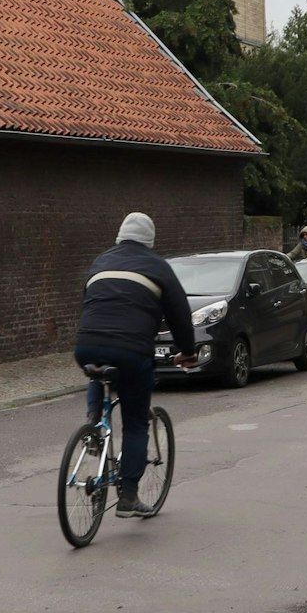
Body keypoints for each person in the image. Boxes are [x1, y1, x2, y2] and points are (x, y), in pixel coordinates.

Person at [74, 212, 196, 518]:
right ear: (150, 240)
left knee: (99, 368)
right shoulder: (158, 267)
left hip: (87, 343)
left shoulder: (100, 261)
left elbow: (88, 300)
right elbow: (180, 314)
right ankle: (128, 495)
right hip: (131, 350)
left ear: (120, 235)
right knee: (136, 420)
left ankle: (94, 424)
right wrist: (187, 352)